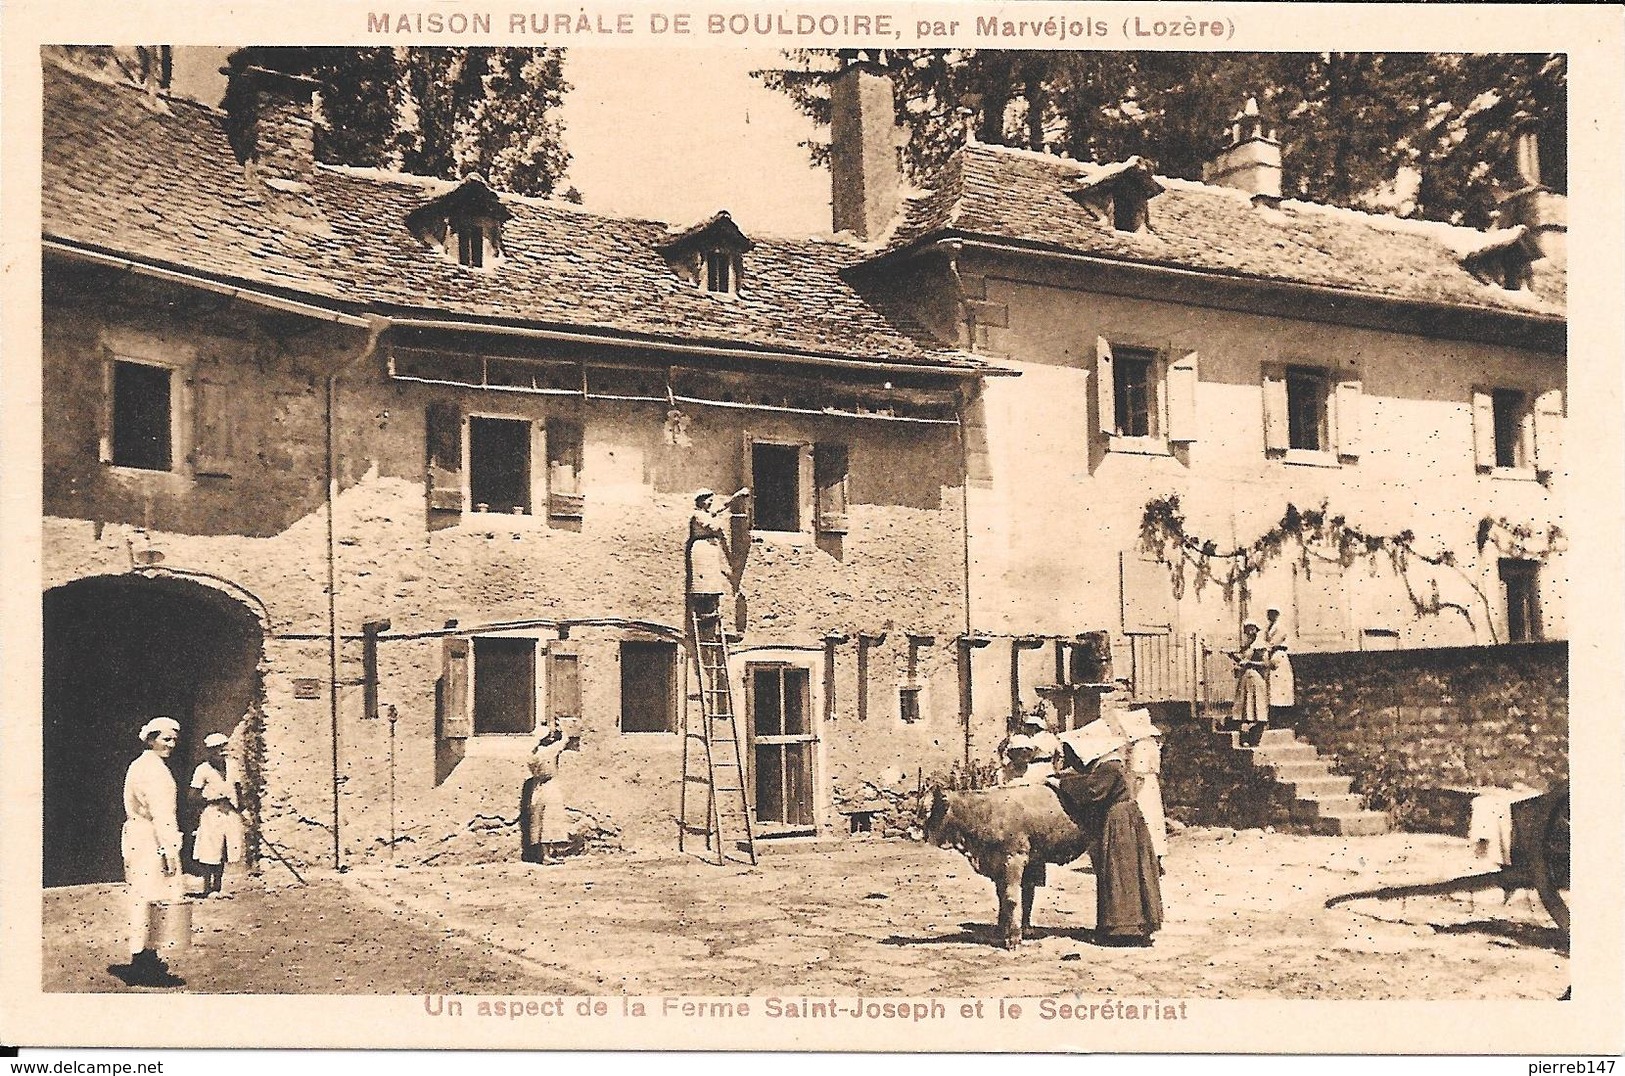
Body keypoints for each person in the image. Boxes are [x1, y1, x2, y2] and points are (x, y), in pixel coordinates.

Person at [1048, 720, 1163, 946]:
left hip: (1119, 821)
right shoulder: (1112, 764)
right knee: (1127, 871)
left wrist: (1060, 784)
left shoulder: (1110, 767)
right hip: (1126, 818)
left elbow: (1092, 790)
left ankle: (1123, 929)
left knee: (1120, 872)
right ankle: (1133, 926)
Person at [112, 716, 186, 987]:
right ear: (151, 739)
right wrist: (169, 849)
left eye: (174, 740)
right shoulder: (153, 770)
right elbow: (162, 813)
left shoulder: (141, 765)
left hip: (139, 837)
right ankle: (143, 960)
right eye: (166, 739)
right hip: (151, 839)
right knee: (153, 896)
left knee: (145, 895)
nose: (171, 744)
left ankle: (146, 955)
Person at [189, 732, 243, 898]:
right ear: (209, 752)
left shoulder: (233, 766)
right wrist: (211, 798)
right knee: (209, 849)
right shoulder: (202, 770)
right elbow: (192, 796)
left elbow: (238, 788)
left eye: (221, 749)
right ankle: (207, 886)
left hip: (229, 812)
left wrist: (241, 807)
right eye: (214, 750)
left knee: (225, 848)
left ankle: (218, 886)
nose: (219, 752)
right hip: (211, 812)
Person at [687, 488, 750, 618]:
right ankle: (702, 610)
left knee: (713, 582)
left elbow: (724, 506)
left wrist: (736, 496)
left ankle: (711, 610)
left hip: (710, 550)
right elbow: (713, 527)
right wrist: (722, 518)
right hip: (702, 549)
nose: (710, 503)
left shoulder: (708, 513)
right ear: (701, 501)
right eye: (708, 500)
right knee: (702, 583)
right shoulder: (698, 515)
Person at [1119, 709, 1169, 863]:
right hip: (1151, 783)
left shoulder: (1141, 746)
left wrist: (1131, 795)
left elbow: (1138, 774)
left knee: (1143, 816)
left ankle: (1144, 855)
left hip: (1143, 786)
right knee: (1154, 818)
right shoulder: (1153, 743)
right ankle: (1156, 854)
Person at [521, 723, 572, 864]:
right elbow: (564, 741)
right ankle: (547, 855)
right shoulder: (549, 752)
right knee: (550, 819)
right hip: (549, 786)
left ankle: (542, 853)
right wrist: (562, 727)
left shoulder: (532, 755)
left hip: (536, 788)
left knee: (537, 820)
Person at [1228, 620, 1270, 746]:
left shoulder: (1260, 645)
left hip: (1256, 678)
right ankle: (1246, 738)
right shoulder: (1248, 646)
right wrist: (1234, 657)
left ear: (1255, 630)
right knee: (1245, 708)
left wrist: (1250, 663)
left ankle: (1254, 738)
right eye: (1246, 630)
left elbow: (1266, 664)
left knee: (1256, 707)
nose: (1248, 633)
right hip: (1246, 679)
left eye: (1250, 629)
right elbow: (1243, 659)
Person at [1001, 705, 1061, 785]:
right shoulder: (1053, 737)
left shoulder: (1034, 739)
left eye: (1028, 726)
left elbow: (1029, 754)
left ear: (1035, 727)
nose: (1026, 728)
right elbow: (1059, 754)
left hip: (1035, 769)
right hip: (1050, 768)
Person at [1263, 606, 1296, 730]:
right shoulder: (1268, 628)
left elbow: (1274, 643)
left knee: (1281, 690)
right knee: (1272, 690)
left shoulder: (1280, 628)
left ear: (1277, 614)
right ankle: (1273, 720)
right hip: (1272, 656)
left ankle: (1282, 720)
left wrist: (1267, 648)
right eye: (1269, 613)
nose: (1270, 616)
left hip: (1279, 656)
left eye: (1273, 613)